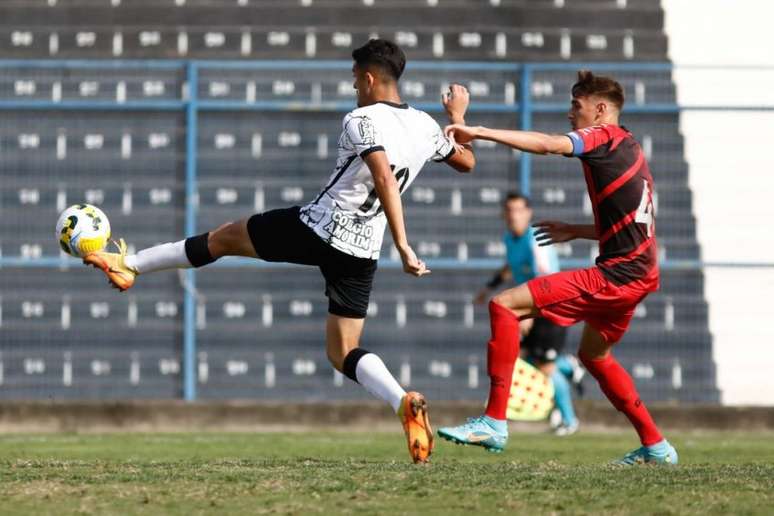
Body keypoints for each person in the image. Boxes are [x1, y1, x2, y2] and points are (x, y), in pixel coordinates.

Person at [82, 39, 476, 464]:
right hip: (362, 250)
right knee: (342, 351)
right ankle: (402, 402)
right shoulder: (424, 127)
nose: (353, 88)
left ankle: (129, 266)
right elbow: (466, 161)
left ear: (367, 78)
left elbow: (381, 174)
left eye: (354, 80)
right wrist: (456, 118)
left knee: (224, 237)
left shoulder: (360, 119)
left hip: (320, 227)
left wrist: (403, 243)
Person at [438, 70, 678, 465]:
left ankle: (494, 422)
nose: (570, 114)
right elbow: (634, 224)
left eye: (576, 106)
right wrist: (577, 230)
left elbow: (548, 145)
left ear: (600, 111)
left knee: (503, 306)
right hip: (640, 274)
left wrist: (476, 129)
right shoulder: (630, 147)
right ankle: (656, 446)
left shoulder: (602, 137)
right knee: (595, 357)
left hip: (616, 276)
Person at [474, 191, 579, 436]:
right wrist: (488, 288)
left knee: (545, 368)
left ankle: (569, 420)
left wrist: (528, 315)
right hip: (531, 307)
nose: (514, 215)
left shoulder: (535, 239)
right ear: (503, 214)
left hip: (551, 309)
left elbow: (545, 278)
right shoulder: (510, 239)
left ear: (528, 213)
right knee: (524, 360)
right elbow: (511, 266)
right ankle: (568, 367)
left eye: (519, 210)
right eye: (509, 210)